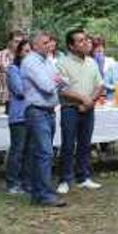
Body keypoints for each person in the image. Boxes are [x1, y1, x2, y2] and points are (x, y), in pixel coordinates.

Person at [22, 32, 73, 207]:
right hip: (37, 111)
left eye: (49, 42)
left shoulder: (47, 61)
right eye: (44, 43)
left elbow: (65, 81)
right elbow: (47, 86)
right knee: (44, 153)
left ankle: (39, 193)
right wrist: (56, 81)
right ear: (35, 46)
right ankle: (43, 194)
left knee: (42, 153)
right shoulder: (30, 62)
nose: (48, 45)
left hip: (49, 111)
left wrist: (56, 80)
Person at [56, 28, 104, 194]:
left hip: (89, 108)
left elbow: (100, 85)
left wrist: (90, 101)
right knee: (68, 144)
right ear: (71, 46)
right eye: (81, 41)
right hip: (70, 108)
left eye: (86, 40)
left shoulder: (92, 62)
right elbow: (62, 89)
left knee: (85, 144)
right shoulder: (62, 63)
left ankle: (83, 177)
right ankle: (64, 179)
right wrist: (83, 100)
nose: (86, 43)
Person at [5, 39, 32, 195]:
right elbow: (20, 90)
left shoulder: (32, 70)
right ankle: (12, 183)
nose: (29, 54)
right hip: (19, 116)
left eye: (31, 51)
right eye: (26, 51)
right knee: (18, 150)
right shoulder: (13, 69)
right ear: (19, 53)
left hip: (31, 114)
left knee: (29, 150)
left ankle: (26, 182)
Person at [0, 30, 24, 105]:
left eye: (21, 42)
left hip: (22, 97)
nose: (18, 44)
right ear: (10, 42)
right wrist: (2, 76)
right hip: (4, 97)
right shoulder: (0, 55)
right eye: (16, 41)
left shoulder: (26, 56)